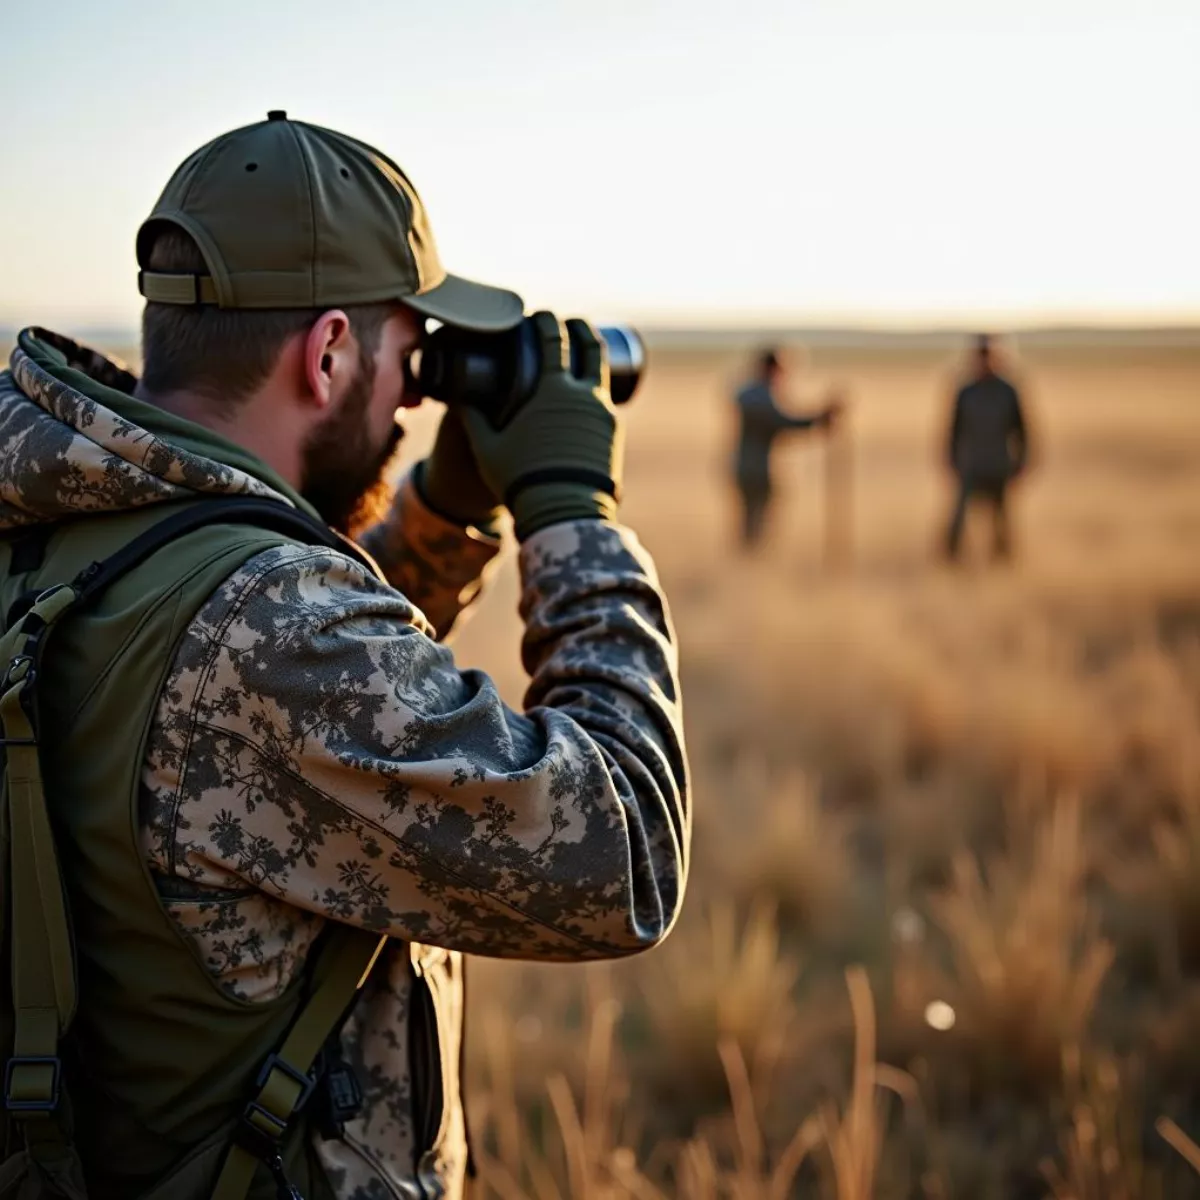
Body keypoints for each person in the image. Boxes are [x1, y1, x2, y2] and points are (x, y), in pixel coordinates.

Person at [0, 112, 688, 1200]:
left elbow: (249, 702)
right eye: (405, 353)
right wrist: (570, 508)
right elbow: (627, 853)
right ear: (326, 353)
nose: (415, 393)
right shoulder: (269, 634)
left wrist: (448, 509)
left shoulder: (63, 517)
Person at [731, 348, 842, 548]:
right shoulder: (760, 397)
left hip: (745, 466)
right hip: (757, 469)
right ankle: (751, 558)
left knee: (751, 519)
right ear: (771, 369)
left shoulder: (748, 393)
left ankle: (748, 559)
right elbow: (783, 421)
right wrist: (818, 419)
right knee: (757, 521)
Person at [944, 334, 1031, 561]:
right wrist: (950, 460)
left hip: (999, 463)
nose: (984, 361)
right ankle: (951, 558)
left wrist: (1022, 462)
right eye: (981, 356)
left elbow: (1022, 430)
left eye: (988, 355)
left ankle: (1003, 558)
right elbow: (953, 430)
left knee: (1001, 517)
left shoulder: (1008, 391)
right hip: (971, 464)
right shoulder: (966, 392)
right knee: (959, 515)